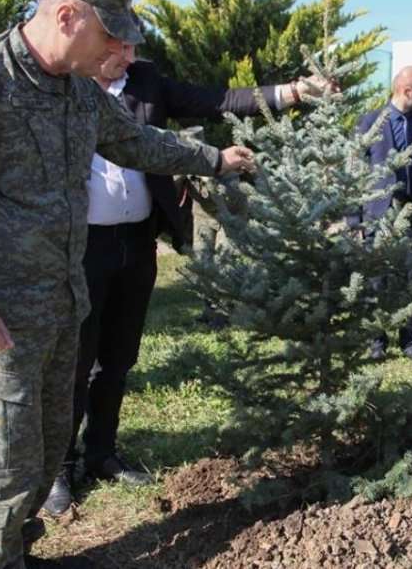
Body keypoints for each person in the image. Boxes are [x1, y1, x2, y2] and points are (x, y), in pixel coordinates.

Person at [0, 0, 255, 569]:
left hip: (62, 311)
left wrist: (214, 160)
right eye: (110, 35)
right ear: (67, 15)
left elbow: (139, 142)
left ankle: (16, 555)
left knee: (41, 461)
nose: (120, 49)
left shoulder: (77, 93)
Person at [41, 36, 331, 515]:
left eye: (135, 49)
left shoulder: (147, 82)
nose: (132, 59)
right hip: (79, 246)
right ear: (96, 44)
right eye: (123, 48)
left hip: (136, 241)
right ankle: (58, 470)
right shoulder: (64, 85)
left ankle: (101, 454)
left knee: (118, 357)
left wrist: (293, 92)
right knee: (75, 361)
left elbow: (215, 99)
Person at [356, 66, 412, 364]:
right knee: (376, 281)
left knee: (409, 280)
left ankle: (410, 343)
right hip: (378, 215)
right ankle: (376, 342)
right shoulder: (370, 123)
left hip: (411, 214)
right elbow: (354, 174)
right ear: (406, 91)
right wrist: (355, 222)